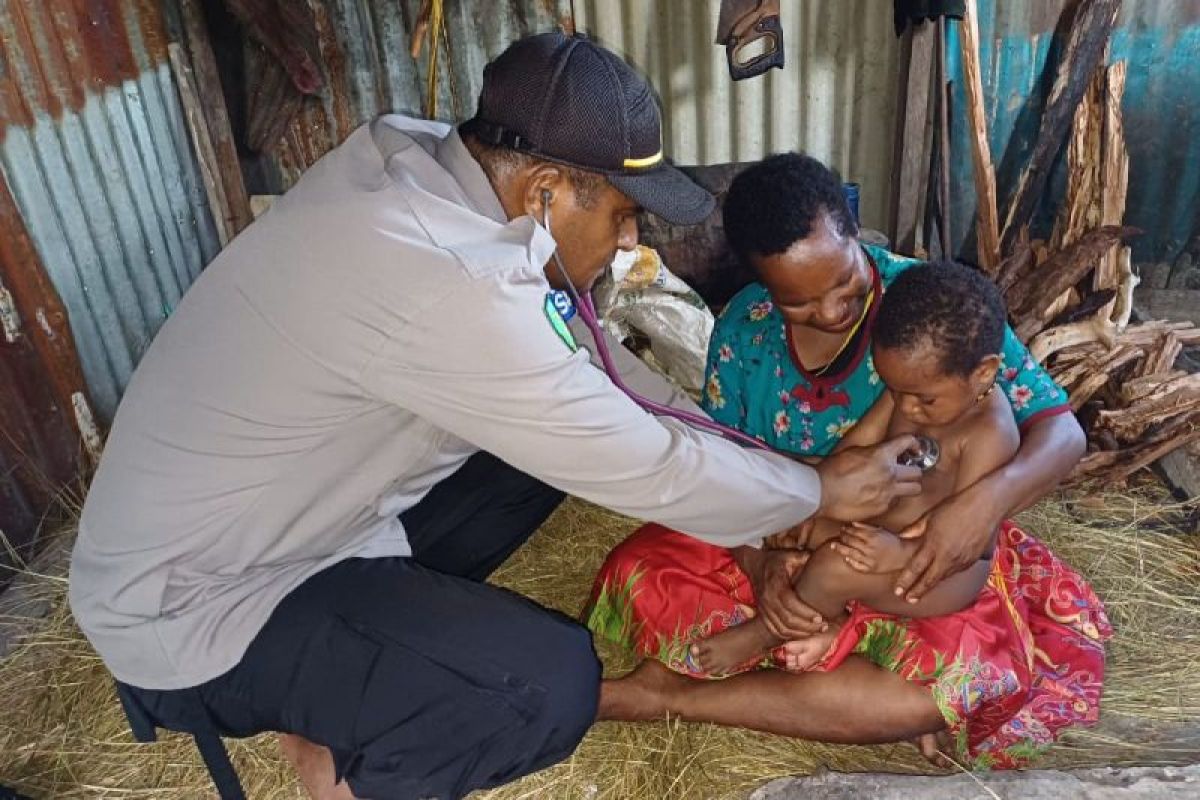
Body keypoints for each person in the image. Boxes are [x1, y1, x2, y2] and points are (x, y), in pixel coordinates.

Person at [67, 35, 919, 800]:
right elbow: (637, 459)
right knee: (547, 687)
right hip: (198, 604)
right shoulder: (444, 278)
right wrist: (813, 495)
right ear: (545, 192)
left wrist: (783, 481)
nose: (630, 242)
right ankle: (347, 773)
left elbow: (607, 384)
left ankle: (353, 684)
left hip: (298, 520)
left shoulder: (425, 170)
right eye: (622, 214)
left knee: (531, 463)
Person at [589, 153, 1110, 769]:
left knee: (944, 687)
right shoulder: (744, 329)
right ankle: (826, 651)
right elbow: (724, 462)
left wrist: (981, 505)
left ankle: (678, 695)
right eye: (799, 303)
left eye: (844, 283)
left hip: (922, 545)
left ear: (855, 231)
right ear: (763, 286)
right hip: (790, 524)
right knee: (640, 570)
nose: (833, 311)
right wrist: (762, 562)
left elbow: (1061, 433)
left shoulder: (929, 309)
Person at [691, 261, 1021, 677]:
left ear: (984, 373)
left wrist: (899, 553)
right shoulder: (910, 390)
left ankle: (768, 632)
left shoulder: (991, 434)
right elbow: (855, 451)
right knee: (797, 526)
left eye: (923, 400)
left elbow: (972, 543)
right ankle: (832, 618)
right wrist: (819, 500)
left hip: (935, 570)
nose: (906, 408)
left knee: (836, 564)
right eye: (895, 391)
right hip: (881, 533)